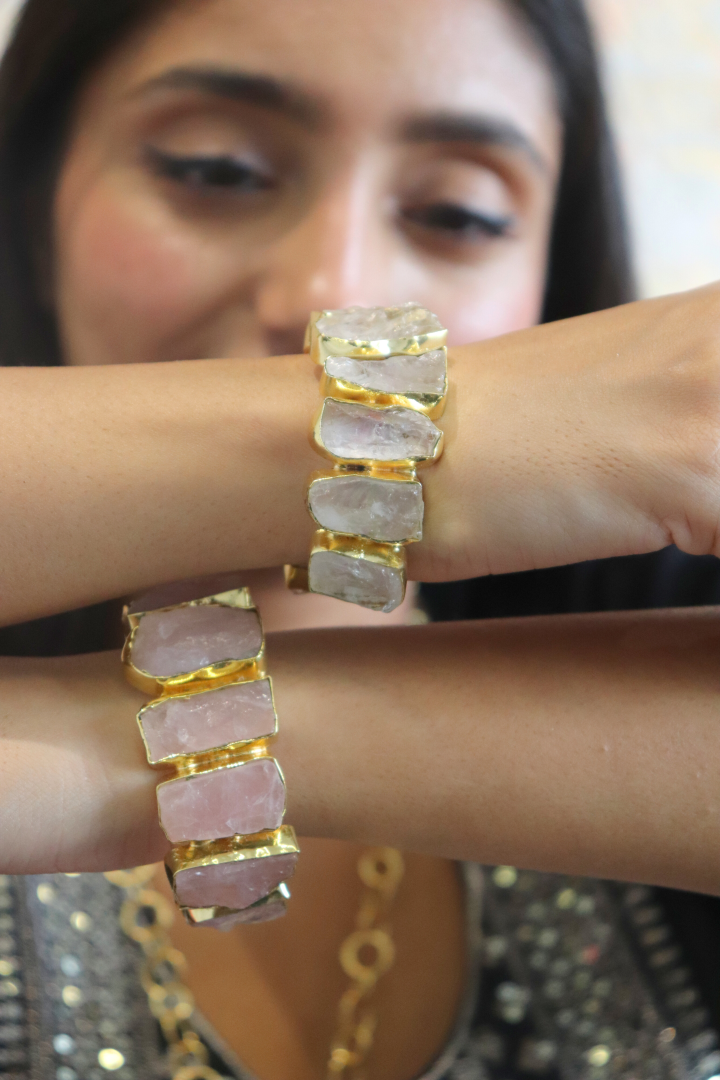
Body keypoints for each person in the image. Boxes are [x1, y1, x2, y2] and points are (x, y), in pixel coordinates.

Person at [0, 1, 719, 1078]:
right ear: (33, 211)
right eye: (216, 170)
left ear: (553, 281)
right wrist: (446, 426)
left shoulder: (665, 613)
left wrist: (133, 740)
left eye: (457, 214)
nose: (331, 294)